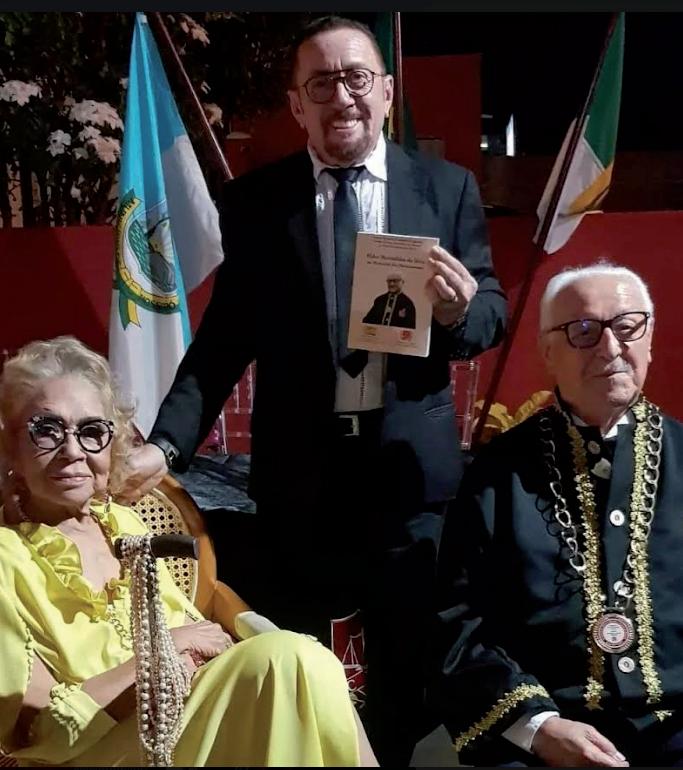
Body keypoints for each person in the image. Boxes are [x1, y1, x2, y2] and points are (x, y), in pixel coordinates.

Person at [120, 15, 507, 765]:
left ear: (385, 91)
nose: (342, 97)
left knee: (409, 662)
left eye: (356, 77)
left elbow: (489, 311)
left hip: (410, 481)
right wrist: (164, 447)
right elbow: (221, 344)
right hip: (302, 482)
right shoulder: (257, 204)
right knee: (312, 663)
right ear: (297, 104)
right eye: (321, 83)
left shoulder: (445, 187)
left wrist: (460, 310)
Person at [0, 336, 376, 767]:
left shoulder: (126, 525)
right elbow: (40, 731)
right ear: (11, 446)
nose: (72, 451)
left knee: (311, 665)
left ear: (112, 445)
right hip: (98, 754)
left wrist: (182, 652)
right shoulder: (7, 561)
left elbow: (200, 640)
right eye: (46, 430)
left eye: (92, 432)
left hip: (185, 721)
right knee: (284, 661)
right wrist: (162, 653)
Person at [431, 263, 683, 767]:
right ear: (547, 351)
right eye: (583, 331)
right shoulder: (495, 473)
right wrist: (539, 727)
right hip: (546, 735)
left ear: (650, 339)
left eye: (627, 326)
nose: (610, 348)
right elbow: (458, 620)